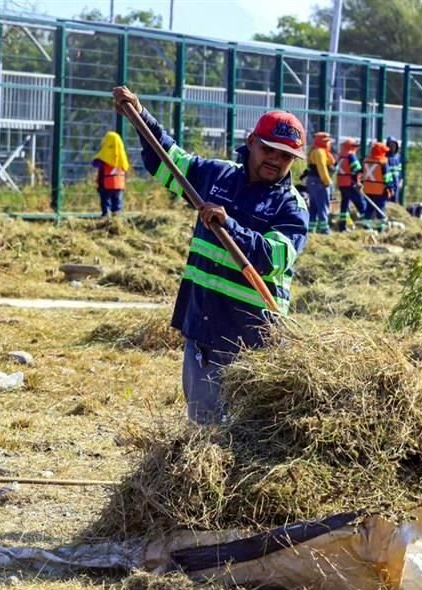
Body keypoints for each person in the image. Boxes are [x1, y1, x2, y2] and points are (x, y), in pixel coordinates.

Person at [112, 86, 308, 425]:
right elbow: (168, 159)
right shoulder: (217, 175)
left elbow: (273, 258)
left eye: (286, 156)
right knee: (202, 423)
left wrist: (230, 225)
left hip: (252, 337)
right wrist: (140, 115)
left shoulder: (290, 205)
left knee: (246, 431)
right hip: (203, 324)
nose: (275, 159)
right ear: (251, 142)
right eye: (269, 149)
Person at [92, 131, 129, 217]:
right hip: (119, 186)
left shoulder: (104, 160)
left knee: (106, 202)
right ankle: (117, 218)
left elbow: (100, 172)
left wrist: (99, 185)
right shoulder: (122, 159)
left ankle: (106, 217)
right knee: (117, 204)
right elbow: (125, 171)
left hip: (106, 185)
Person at [361, 140, 396, 231]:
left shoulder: (366, 161)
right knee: (380, 209)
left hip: (368, 189)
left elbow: (361, 174)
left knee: (368, 209)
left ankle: (366, 227)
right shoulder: (383, 162)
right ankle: (380, 228)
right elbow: (387, 177)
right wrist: (390, 188)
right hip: (380, 190)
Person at [305, 131, 334, 234]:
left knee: (313, 206)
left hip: (312, 181)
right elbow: (322, 168)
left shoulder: (314, 150)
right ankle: (324, 228)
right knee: (323, 204)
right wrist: (326, 182)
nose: (329, 144)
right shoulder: (320, 152)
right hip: (319, 181)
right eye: (327, 142)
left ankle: (311, 228)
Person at [335, 138, 366, 232]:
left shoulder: (340, 156)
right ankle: (366, 224)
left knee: (344, 204)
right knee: (361, 203)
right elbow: (357, 170)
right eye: (354, 146)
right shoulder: (351, 155)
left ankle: (342, 226)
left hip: (341, 183)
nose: (356, 148)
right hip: (350, 183)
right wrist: (359, 182)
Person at [385, 136, 403, 203]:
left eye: (394, 145)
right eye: (390, 145)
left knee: (395, 200)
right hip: (389, 182)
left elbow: (400, 170)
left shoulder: (398, 156)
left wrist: (401, 180)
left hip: (396, 181)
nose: (392, 147)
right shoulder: (385, 156)